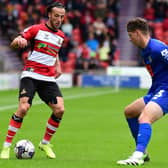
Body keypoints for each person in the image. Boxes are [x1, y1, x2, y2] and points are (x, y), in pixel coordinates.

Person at [0, 1, 66, 159]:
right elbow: (16, 41)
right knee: (23, 108)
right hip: (31, 74)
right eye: (56, 16)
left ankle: (45, 143)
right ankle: (6, 146)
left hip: (48, 78)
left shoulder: (61, 36)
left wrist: (58, 65)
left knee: (60, 110)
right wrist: (19, 41)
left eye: (62, 17)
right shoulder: (36, 29)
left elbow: (54, 51)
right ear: (49, 14)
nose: (59, 19)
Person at [117, 17, 168, 166]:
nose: (130, 40)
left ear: (138, 33)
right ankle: (143, 153)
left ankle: (137, 155)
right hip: (157, 89)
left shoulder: (157, 48)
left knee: (145, 117)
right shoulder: (145, 50)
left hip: (166, 90)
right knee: (130, 111)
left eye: (130, 35)